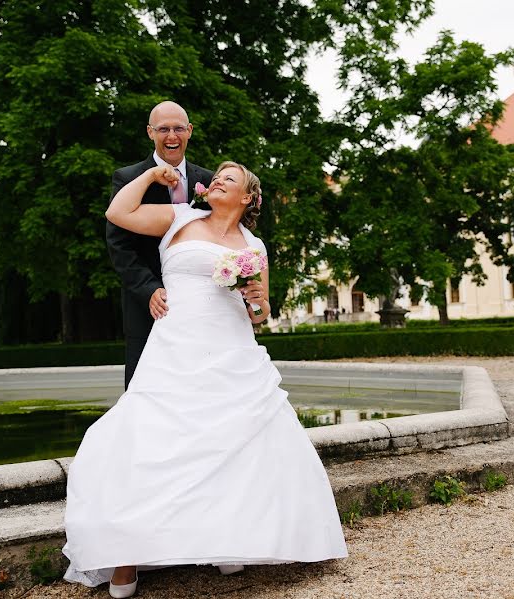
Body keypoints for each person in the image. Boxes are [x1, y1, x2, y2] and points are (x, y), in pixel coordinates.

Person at [63, 161, 348, 598]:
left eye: (228, 179)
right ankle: (125, 554)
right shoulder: (179, 218)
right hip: (175, 347)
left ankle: (230, 540)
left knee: (237, 443)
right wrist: (151, 178)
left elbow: (259, 315)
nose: (217, 180)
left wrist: (258, 302)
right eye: (215, 175)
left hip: (233, 350)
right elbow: (118, 213)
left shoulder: (254, 245)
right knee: (148, 440)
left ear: (248, 197)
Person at [107, 101, 214, 390]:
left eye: (179, 128)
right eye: (163, 129)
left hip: (197, 303)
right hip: (147, 305)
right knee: (144, 387)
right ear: (149, 132)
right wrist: (149, 289)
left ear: (189, 131)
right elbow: (119, 246)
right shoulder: (127, 178)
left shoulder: (208, 180)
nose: (171, 136)